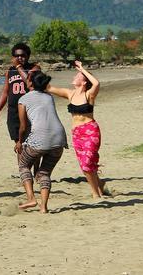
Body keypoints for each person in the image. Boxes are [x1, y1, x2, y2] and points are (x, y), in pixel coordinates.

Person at [46, 61, 103, 199]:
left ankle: (95, 194)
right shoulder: (70, 94)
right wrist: (33, 73)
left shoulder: (89, 94)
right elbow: (49, 88)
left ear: (83, 82)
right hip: (77, 133)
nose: (75, 77)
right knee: (86, 163)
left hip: (90, 130)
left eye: (78, 76)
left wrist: (83, 69)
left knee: (87, 163)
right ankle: (99, 188)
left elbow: (96, 83)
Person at [16, 71, 67, 214]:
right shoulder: (49, 97)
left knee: (23, 165)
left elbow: (23, 126)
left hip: (40, 139)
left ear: (30, 82)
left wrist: (20, 142)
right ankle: (43, 207)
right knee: (44, 172)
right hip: (59, 139)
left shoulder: (23, 99)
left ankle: (31, 198)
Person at [0, 42, 40, 147]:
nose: (19, 58)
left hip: (29, 111)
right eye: (17, 56)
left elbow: (29, 81)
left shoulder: (34, 68)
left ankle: (35, 164)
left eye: (22, 55)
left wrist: (18, 67)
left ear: (28, 56)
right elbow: (5, 92)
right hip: (13, 112)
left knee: (32, 143)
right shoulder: (10, 71)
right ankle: (22, 164)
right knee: (18, 143)